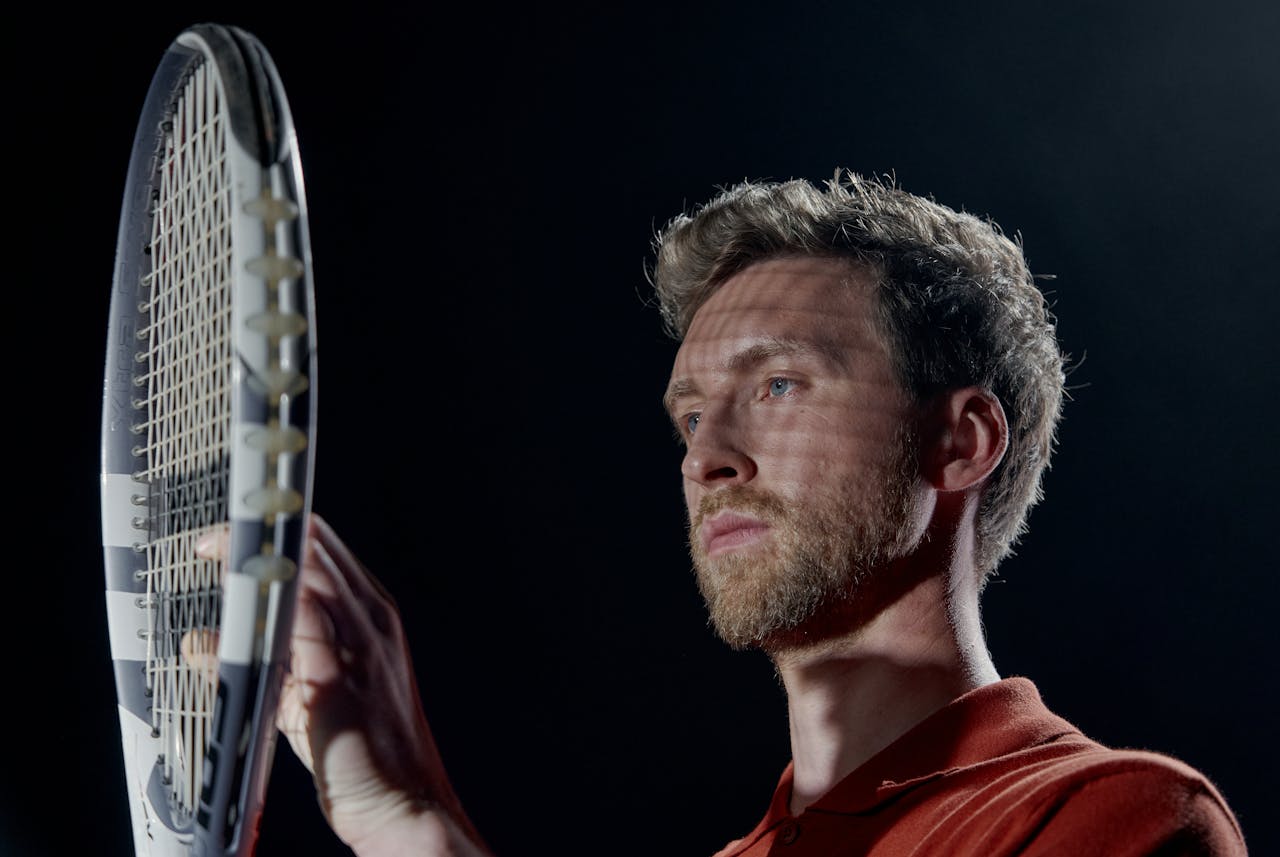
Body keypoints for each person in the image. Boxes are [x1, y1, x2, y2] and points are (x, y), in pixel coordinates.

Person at [268, 172, 1248, 855]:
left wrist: (415, 827)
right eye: (691, 416)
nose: (706, 458)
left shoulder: (1108, 816)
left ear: (960, 440)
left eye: (779, 385)